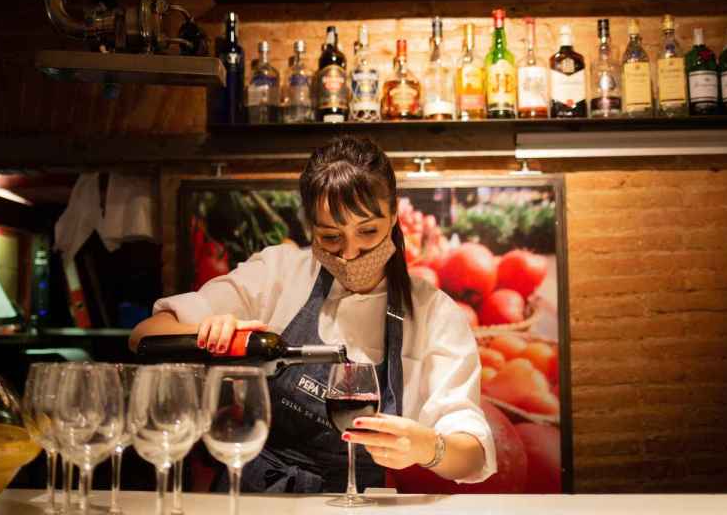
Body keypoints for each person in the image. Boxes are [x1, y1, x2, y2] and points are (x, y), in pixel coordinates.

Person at [129, 135, 495, 492]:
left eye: (368, 231)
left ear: (394, 213)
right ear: (310, 228)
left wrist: (428, 447)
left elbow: (474, 455)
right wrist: (204, 332)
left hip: (357, 501)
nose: (350, 253)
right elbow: (144, 334)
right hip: (256, 496)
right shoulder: (280, 271)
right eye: (331, 237)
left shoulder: (433, 313)